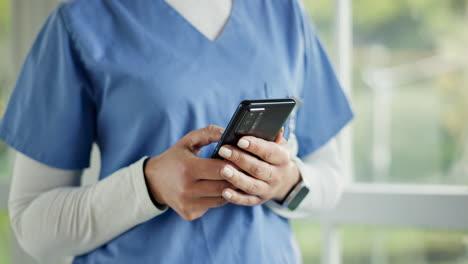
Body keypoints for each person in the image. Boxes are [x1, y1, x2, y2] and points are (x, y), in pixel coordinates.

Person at [0, 0, 353, 263]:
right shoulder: (82, 21)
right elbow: (33, 225)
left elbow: (332, 181)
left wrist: (285, 184)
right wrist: (148, 184)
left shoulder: (283, 13)